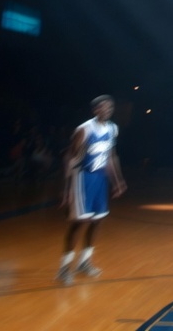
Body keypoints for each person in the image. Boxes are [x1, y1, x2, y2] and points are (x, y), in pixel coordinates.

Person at [56, 95, 126, 285]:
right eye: (103, 107)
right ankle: (64, 268)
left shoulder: (113, 128)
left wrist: (118, 180)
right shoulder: (84, 129)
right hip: (82, 178)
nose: (108, 110)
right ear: (95, 110)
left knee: (97, 220)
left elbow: (111, 156)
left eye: (110, 107)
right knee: (79, 222)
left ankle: (84, 262)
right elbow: (69, 158)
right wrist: (66, 189)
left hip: (100, 178)